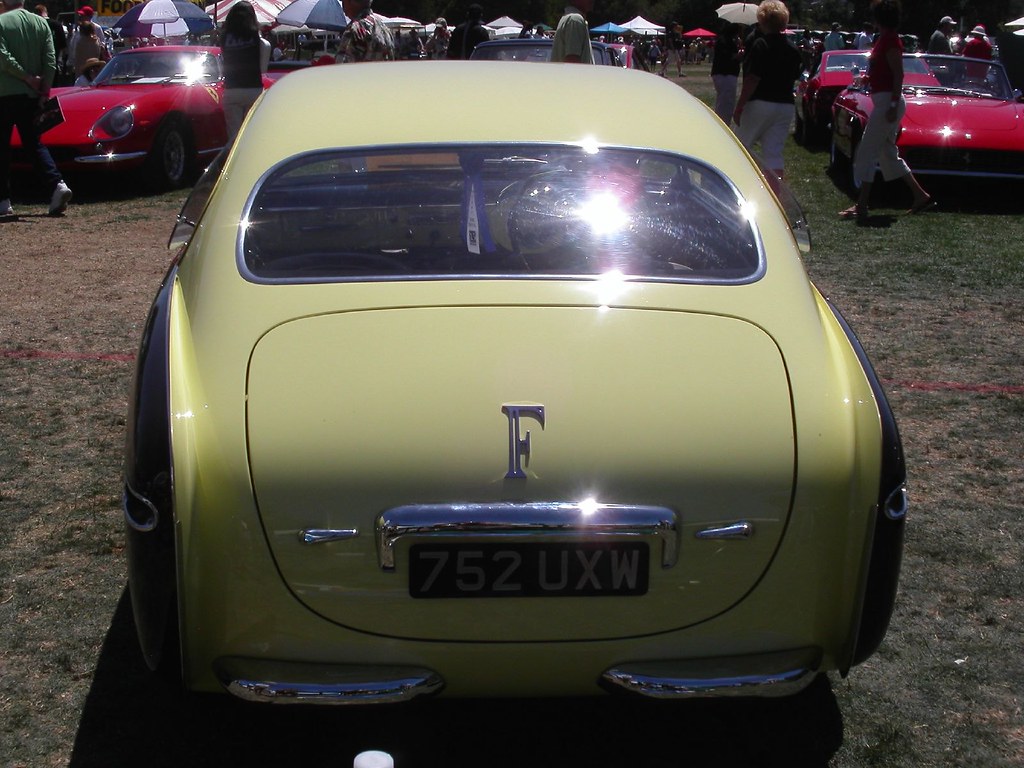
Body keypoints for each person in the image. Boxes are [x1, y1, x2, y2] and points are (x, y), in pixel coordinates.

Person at [838, 0, 931, 222]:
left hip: (888, 102)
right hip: (885, 100)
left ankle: (861, 205)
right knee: (887, 154)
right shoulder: (885, 40)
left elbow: (898, 75)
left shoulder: (890, 41)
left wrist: (890, 105)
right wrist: (868, 78)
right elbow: (886, 72)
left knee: (866, 152)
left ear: (878, 18)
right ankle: (920, 195)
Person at [0, 0, 72, 217]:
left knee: (2, 147)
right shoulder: (42, 24)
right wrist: (44, 90)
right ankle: (57, 184)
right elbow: (51, 61)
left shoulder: (1, 22)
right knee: (34, 143)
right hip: (32, 97)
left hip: (3, 93)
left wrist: (25, 77)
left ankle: (3, 201)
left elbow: (2, 57)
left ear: (4, 4)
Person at [732, 0, 802, 194]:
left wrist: (740, 105)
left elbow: (753, 78)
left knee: (740, 146)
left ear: (762, 19)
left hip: (760, 102)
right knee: (773, 153)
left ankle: (739, 190)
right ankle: (774, 196)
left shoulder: (760, 44)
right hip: (785, 105)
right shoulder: (793, 48)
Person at [220, 1, 270, 142]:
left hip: (232, 89)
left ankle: (235, 161)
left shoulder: (224, 38)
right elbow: (263, 69)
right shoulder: (256, 38)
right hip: (253, 88)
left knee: (234, 136)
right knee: (252, 133)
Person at [710, 22, 743, 123]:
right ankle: (723, 122)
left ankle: (723, 121)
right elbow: (727, 57)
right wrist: (738, 55)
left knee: (724, 101)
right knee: (726, 102)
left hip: (724, 74)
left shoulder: (727, 41)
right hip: (725, 74)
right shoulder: (724, 41)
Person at [32, 3, 65, 83]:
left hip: (37, 65)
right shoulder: (57, 25)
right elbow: (63, 45)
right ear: (46, 12)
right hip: (54, 62)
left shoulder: (34, 25)